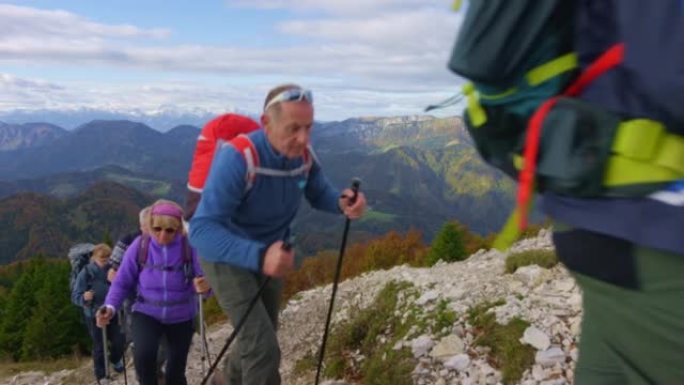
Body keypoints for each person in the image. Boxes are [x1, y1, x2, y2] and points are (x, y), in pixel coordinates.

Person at [189, 83, 367, 385]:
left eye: (309, 128)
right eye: (293, 128)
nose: (303, 138)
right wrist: (258, 255)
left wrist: (341, 202)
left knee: (260, 334)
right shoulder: (238, 157)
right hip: (227, 257)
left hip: (272, 255)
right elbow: (201, 230)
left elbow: (317, 190)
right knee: (263, 348)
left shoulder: (303, 155)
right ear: (266, 123)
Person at [97, 199, 210, 385]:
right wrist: (110, 307)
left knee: (175, 371)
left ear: (179, 229)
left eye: (169, 230)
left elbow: (204, 281)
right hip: (146, 311)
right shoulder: (140, 246)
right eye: (157, 229)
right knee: (144, 356)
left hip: (181, 315)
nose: (162, 235)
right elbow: (122, 282)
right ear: (149, 226)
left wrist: (205, 288)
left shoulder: (189, 247)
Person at [71, 243, 125, 385]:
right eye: (102, 258)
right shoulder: (86, 272)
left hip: (113, 311)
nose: (105, 261)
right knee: (99, 345)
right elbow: (75, 296)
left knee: (119, 340)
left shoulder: (113, 270)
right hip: (93, 314)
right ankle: (101, 375)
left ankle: (115, 359)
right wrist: (84, 297)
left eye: (107, 258)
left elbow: (123, 287)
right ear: (94, 257)